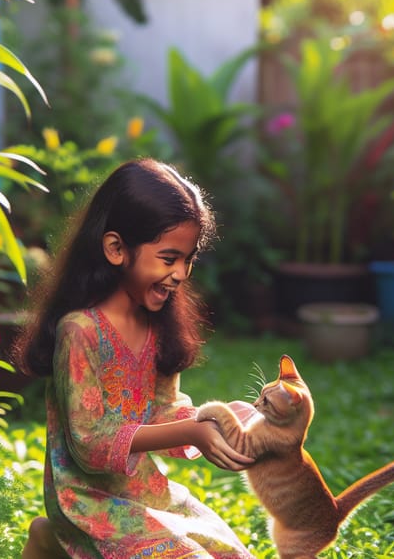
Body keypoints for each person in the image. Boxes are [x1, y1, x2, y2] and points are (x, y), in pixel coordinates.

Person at [13, 158, 256, 559]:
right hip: (87, 502)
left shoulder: (156, 324)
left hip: (143, 491)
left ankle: (51, 546)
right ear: (115, 249)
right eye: (168, 257)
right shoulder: (80, 332)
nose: (180, 273)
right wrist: (191, 432)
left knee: (231, 554)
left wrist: (213, 419)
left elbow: (163, 411)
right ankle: (55, 536)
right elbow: (89, 444)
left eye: (188, 259)